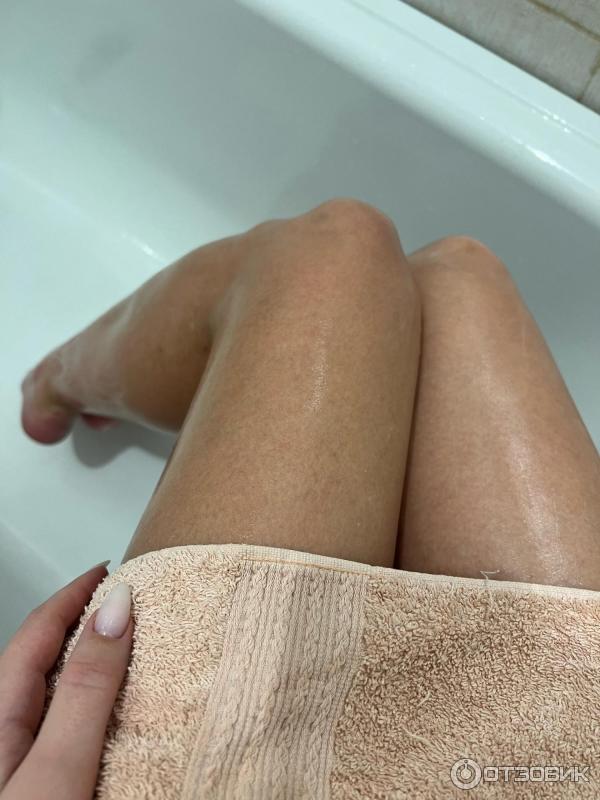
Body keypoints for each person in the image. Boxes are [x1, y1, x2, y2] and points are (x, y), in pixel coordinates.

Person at [1, 199, 599, 798]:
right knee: (458, 271)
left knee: (337, 245)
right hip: (565, 760)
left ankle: (56, 381)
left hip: (232, 768)